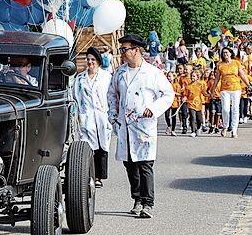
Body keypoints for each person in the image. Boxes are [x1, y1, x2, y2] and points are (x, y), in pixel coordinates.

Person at [107, 33, 174, 219]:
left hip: (144, 125)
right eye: (121, 50)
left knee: (144, 163)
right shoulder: (119, 73)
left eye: (125, 49)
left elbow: (168, 94)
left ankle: (148, 203)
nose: (122, 53)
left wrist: (153, 109)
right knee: (130, 164)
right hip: (125, 125)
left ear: (136, 50)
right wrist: (113, 114)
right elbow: (111, 94)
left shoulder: (152, 73)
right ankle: (136, 199)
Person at [73, 47, 112, 188]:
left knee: (102, 146)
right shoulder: (80, 78)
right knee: (88, 146)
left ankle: (99, 176)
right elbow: (75, 96)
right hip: (86, 115)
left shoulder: (106, 77)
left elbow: (112, 96)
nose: (90, 62)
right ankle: (88, 174)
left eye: (93, 60)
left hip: (102, 115)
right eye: (88, 59)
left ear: (98, 62)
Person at [211, 46, 251, 138]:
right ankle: (225, 126)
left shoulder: (236, 63)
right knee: (225, 109)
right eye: (224, 53)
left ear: (230, 53)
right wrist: (213, 91)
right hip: (224, 89)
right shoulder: (220, 65)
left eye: (227, 52)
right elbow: (217, 78)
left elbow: (242, 75)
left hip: (236, 88)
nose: (225, 54)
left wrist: (248, 85)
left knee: (235, 109)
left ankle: (234, 130)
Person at [184, 70, 205, 137]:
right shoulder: (188, 86)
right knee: (193, 117)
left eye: (194, 76)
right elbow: (186, 94)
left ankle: (198, 128)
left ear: (197, 77)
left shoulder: (200, 85)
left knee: (199, 119)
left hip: (198, 103)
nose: (192, 77)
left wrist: (210, 95)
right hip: (190, 103)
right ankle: (193, 131)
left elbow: (204, 92)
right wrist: (184, 98)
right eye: (191, 76)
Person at [164, 72, 180, 136]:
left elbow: (179, 94)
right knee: (167, 115)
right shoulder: (165, 84)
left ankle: (173, 130)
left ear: (174, 77)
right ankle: (169, 125)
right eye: (168, 76)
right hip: (167, 102)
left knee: (173, 116)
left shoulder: (177, 85)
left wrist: (174, 93)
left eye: (170, 76)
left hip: (174, 102)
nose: (169, 78)